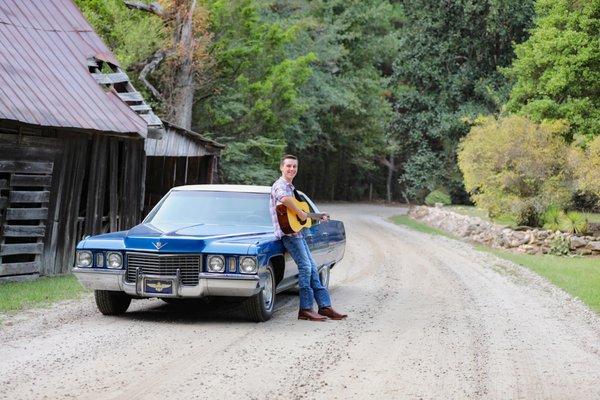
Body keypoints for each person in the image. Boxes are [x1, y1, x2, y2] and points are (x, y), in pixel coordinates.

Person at [270, 154, 347, 321]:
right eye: (288, 166)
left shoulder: (292, 188)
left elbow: (300, 214)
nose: (291, 169)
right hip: (289, 236)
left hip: (298, 234)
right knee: (306, 267)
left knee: (313, 269)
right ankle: (305, 309)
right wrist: (300, 213)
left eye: (294, 167)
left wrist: (317, 216)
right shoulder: (280, 185)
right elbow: (284, 200)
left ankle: (325, 307)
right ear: (281, 167)